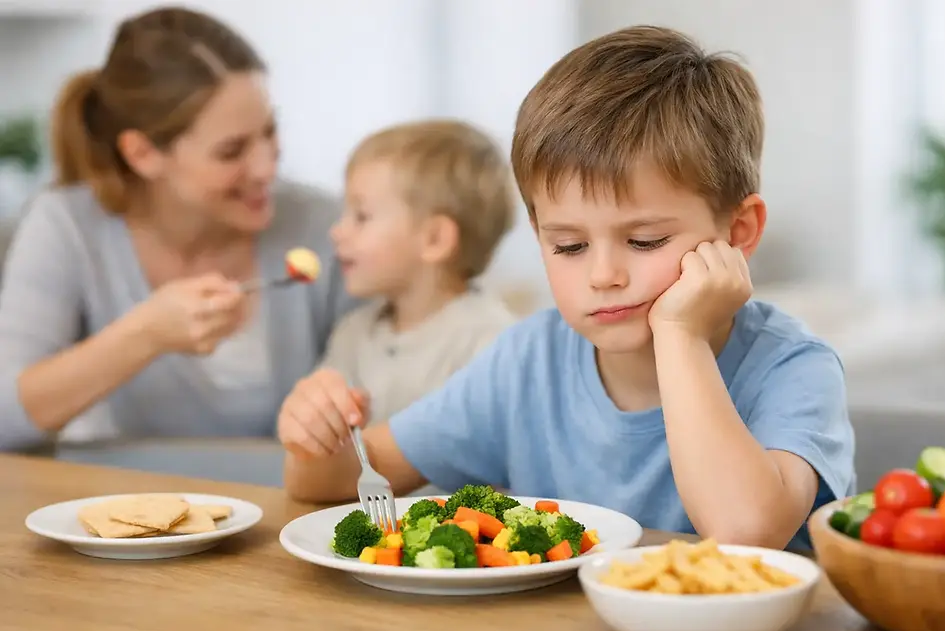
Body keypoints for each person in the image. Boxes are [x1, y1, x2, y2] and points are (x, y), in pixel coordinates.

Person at [277, 26, 856, 550]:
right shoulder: (528, 359)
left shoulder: (792, 366)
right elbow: (337, 482)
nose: (603, 274)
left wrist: (680, 334)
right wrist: (317, 439)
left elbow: (744, 532)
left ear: (739, 231)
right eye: (570, 246)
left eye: (645, 240)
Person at [0, 6, 356, 451]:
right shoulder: (68, 226)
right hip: (117, 492)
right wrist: (145, 335)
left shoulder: (327, 226)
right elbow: (5, 419)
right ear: (142, 154)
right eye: (231, 151)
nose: (266, 167)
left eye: (269, 132)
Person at [286, 119, 515, 441]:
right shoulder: (353, 334)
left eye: (361, 216)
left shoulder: (493, 344)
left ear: (434, 239)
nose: (336, 232)